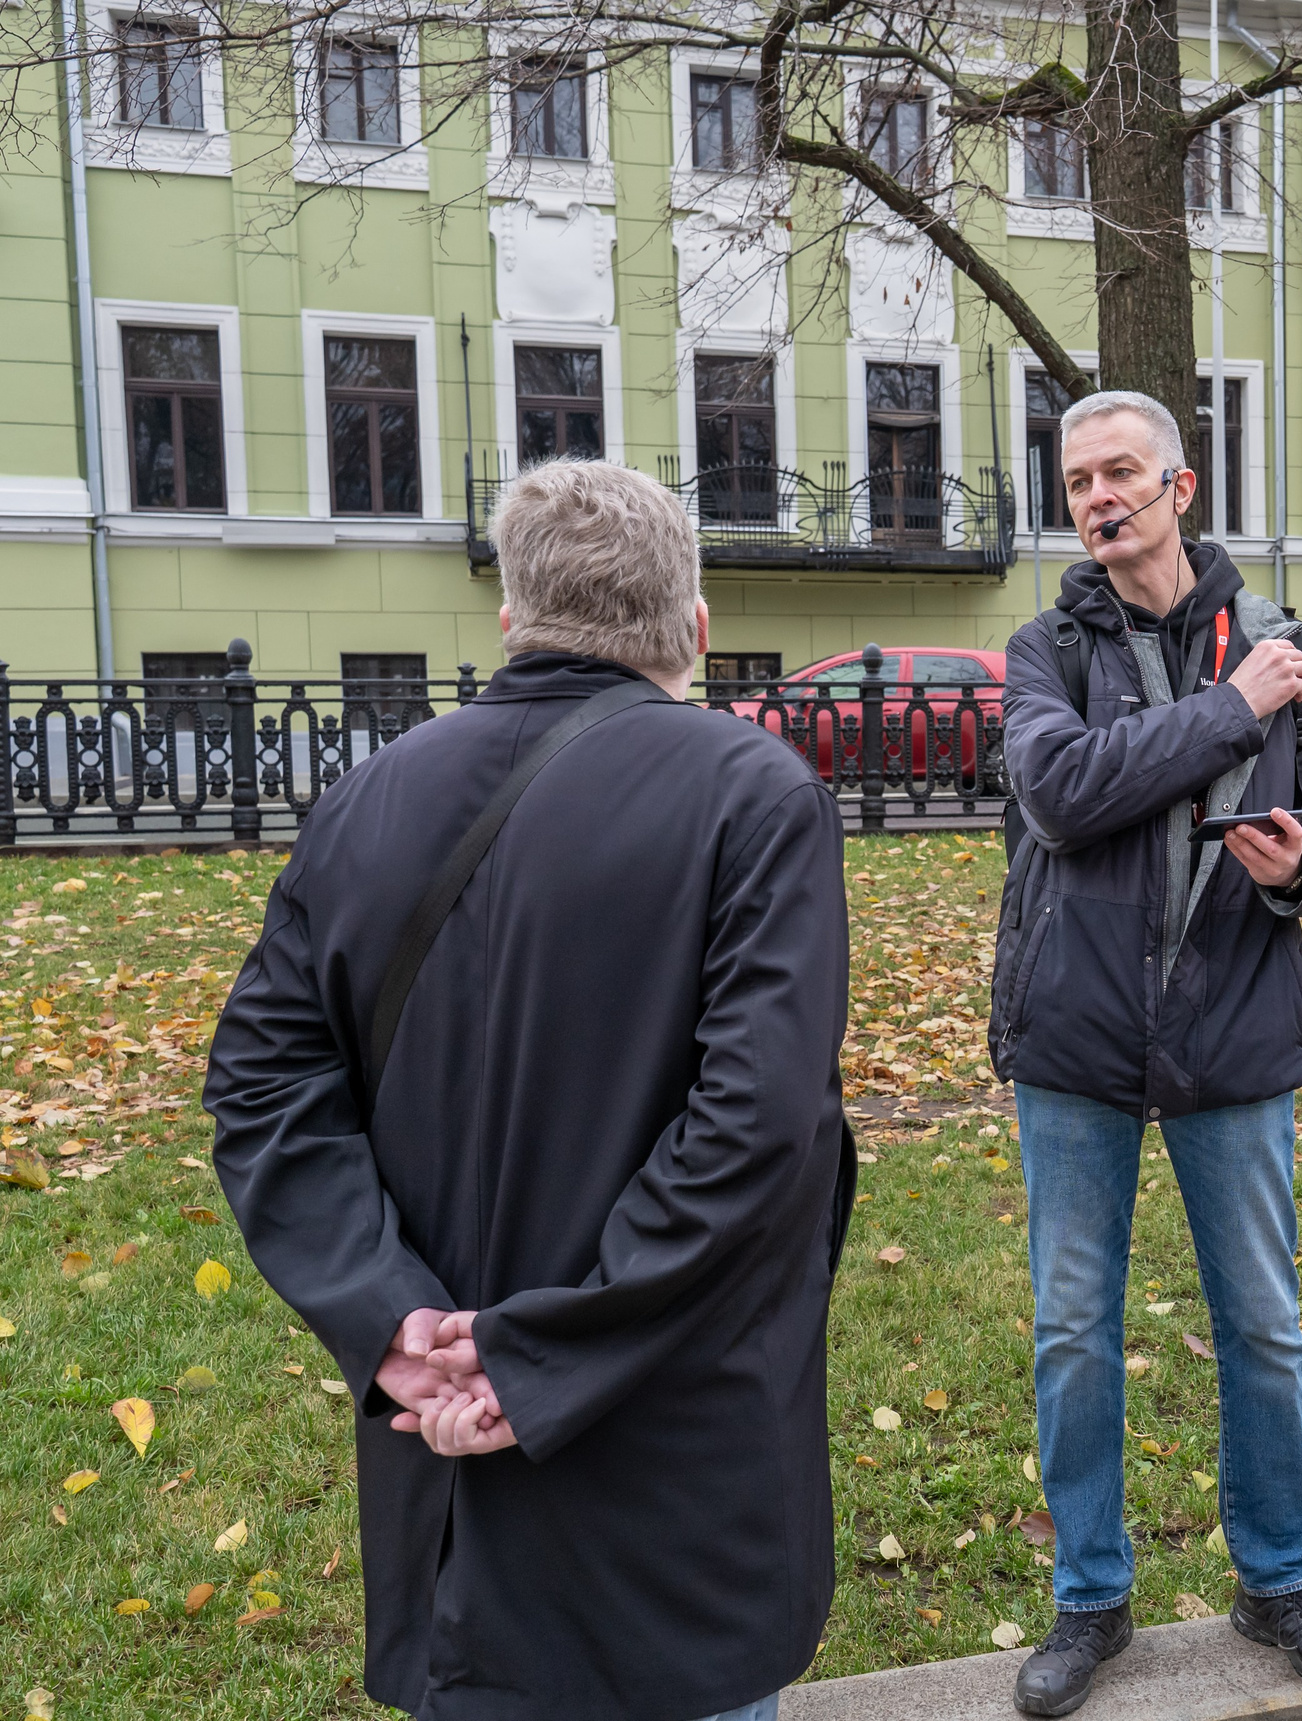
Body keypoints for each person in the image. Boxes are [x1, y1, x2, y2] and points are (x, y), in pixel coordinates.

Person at [203, 461, 856, 1721]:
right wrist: (535, 1358)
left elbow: (264, 1081)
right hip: (676, 1466)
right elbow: (760, 1125)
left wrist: (394, 1319)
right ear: (698, 628)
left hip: (448, 1464)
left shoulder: (365, 797)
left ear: (511, 619)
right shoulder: (753, 791)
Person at [991, 389, 1302, 1716]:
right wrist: (1229, 711)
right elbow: (1063, 795)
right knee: (1072, 1333)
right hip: (1077, 1037)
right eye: (1076, 480)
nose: (1097, 497)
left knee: (1266, 1330)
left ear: (1182, 485)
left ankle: (1279, 1581)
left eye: (1120, 473)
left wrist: (1297, 872)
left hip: (1235, 1028)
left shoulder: (1292, 649)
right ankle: (1088, 1600)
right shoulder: (1048, 650)